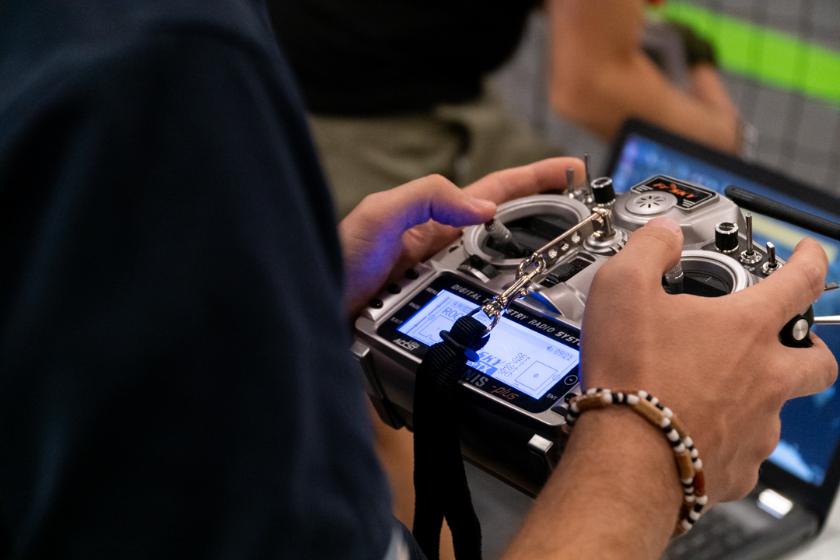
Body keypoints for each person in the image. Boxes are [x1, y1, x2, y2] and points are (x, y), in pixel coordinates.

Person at [0, 1, 835, 560]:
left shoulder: (90, 49)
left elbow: (92, 360)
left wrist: (296, 294)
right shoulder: (161, 64)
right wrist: (653, 440)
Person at [270, 0, 743, 216]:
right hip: (337, 113)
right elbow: (595, 87)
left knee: (567, 191)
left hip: (410, 75)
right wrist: (726, 135)